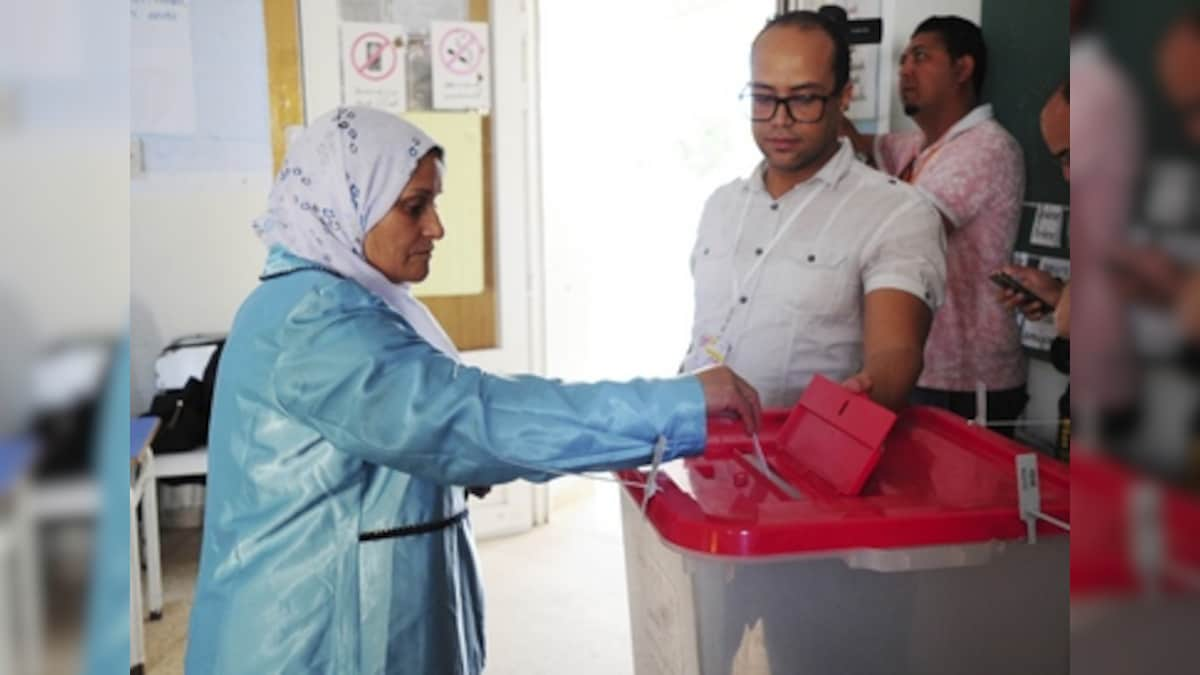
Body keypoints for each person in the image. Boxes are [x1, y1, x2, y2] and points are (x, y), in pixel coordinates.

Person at [183, 107, 762, 674]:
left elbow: (419, 426)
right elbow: (473, 417)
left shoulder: (338, 299)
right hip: (309, 640)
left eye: (432, 203)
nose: (435, 227)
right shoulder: (315, 323)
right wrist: (679, 403)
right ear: (346, 207)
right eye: (415, 207)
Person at [683, 10, 946, 412]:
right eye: (764, 98)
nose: (780, 120)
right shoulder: (721, 205)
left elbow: (896, 353)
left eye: (804, 99)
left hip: (808, 456)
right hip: (699, 451)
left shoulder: (896, 212)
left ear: (843, 97)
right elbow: (702, 340)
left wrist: (864, 395)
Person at [842, 15, 1027, 431]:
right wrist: (828, 86)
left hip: (966, 380)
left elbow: (909, 229)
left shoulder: (987, 147)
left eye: (921, 57)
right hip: (921, 368)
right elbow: (856, 141)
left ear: (962, 69)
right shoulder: (919, 148)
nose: (904, 70)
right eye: (903, 59)